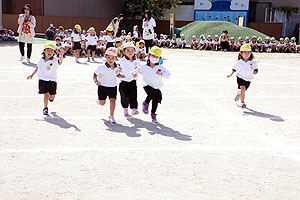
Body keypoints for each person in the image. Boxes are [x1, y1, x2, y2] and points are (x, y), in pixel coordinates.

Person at [133, 46, 170, 122]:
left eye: (157, 57)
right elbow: (137, 70)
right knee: (151, 94)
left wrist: (161, 74)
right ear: (149, 55)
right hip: (147, 84)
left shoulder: (160, 67)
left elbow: (168, 75)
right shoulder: (144, 66)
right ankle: (145, 103)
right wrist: (134, 73)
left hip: (157, 86)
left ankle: (153, 114)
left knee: (156, 100)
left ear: (159, 58)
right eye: (153, 56)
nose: (154, 58)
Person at [27, 43, 64, 115]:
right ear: (44, 51)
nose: (49, 52)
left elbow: (60, 61)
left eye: (51, 51)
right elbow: (38, 67)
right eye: (48, 50)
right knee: (46, 94)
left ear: (54, 52)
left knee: (52, 97)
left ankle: (51, 99)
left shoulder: (55, 60)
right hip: (43, 80)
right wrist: (32, 74)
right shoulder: (41, 59)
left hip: (52, 80)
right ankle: (45, 108)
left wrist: (61, 55)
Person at [93, 47, 125, 123]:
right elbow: (94, 75)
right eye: (108, 57)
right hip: (102, 86)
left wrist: (122, 76)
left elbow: (117, 74)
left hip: (113, 86)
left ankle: (111, 115)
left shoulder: (117, 67)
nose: (110, 60)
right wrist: (96, 81)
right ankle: (99, 101)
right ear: (105, 57)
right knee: (102, 103)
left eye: (113, 58)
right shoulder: (101, 67)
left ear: (116, 58)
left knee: (113, 100)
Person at [227, 44, 258, 109]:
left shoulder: (253, 61)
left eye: (249, 52)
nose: (247, 54)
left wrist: (255, 71)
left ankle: (239, 94)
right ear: (241, 53)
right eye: (245, 52)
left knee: (242, 91)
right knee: (243, 88)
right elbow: (234, 69)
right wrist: (230, 74)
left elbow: (256, 68)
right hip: (240, 77)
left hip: (248, 79)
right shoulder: (239, 62)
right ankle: (242, 103)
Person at [119, 42, 141, 116]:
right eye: (128, 50)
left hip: (132, 81)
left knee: (133, 95)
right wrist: (119, 70)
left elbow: (140, 68)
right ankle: (125, 109)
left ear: (135, 51)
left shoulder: (137, 61)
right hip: (124, 81)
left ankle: (134, 108)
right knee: (124, 96)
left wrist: (136, 71)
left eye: (132, 50)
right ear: (124, 52)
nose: (130, 52)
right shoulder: (122, 61)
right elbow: (116, 67)